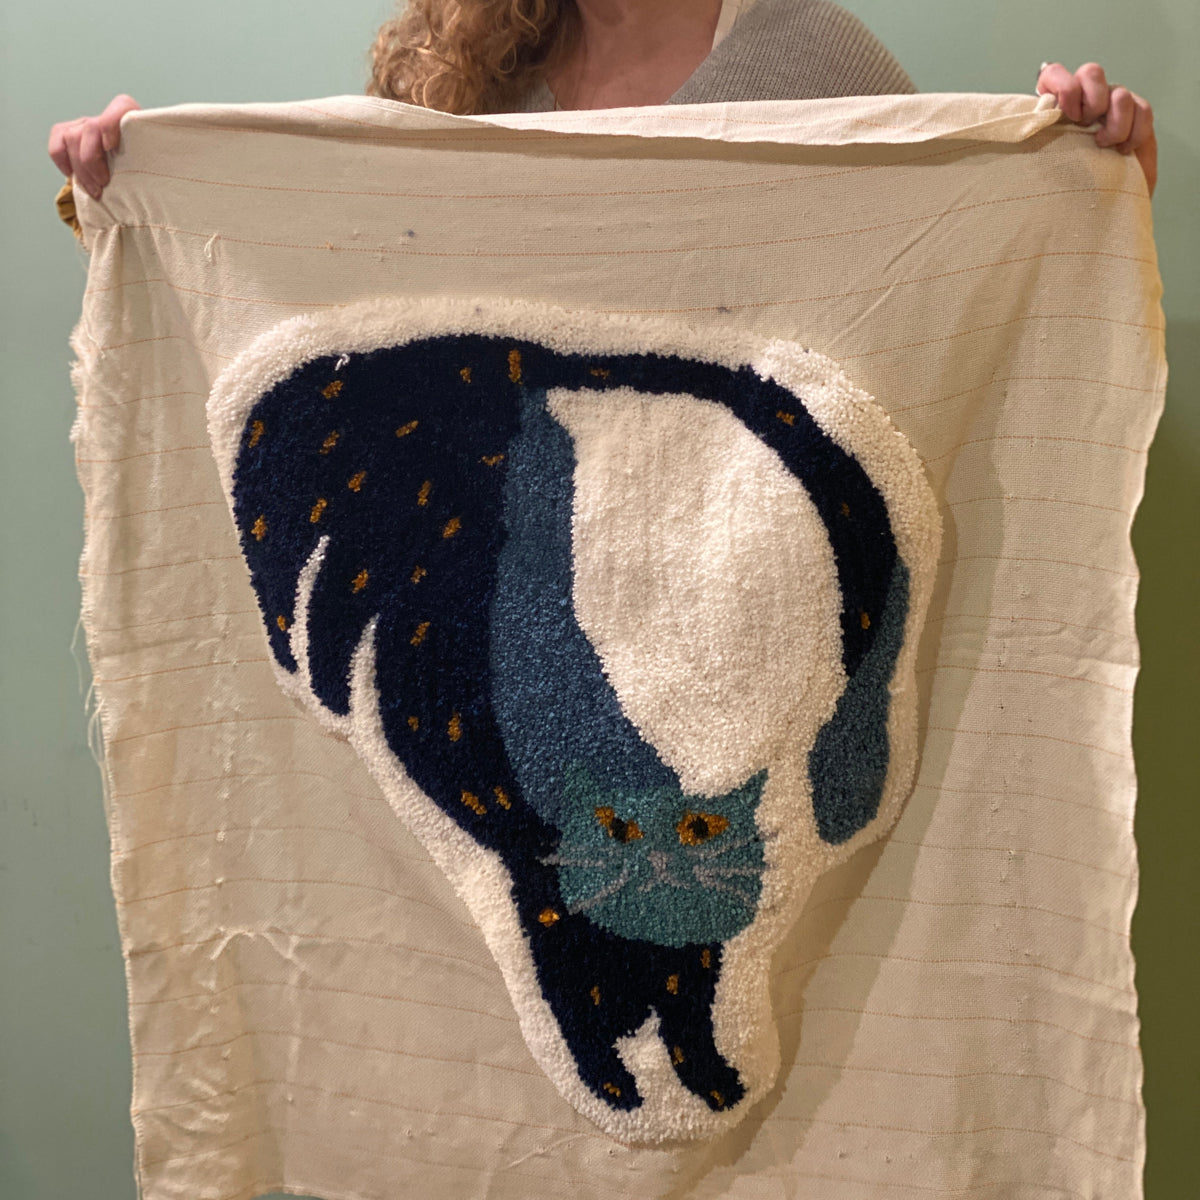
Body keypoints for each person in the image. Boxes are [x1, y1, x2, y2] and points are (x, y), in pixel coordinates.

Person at [48, 0, 1157, 201]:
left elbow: (937, 307)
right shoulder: (453, 76)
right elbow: (339, 291)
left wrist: (1075, 186)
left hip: (744, 618)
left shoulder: (818, 60)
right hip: (503, 606)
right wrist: (153, 184)